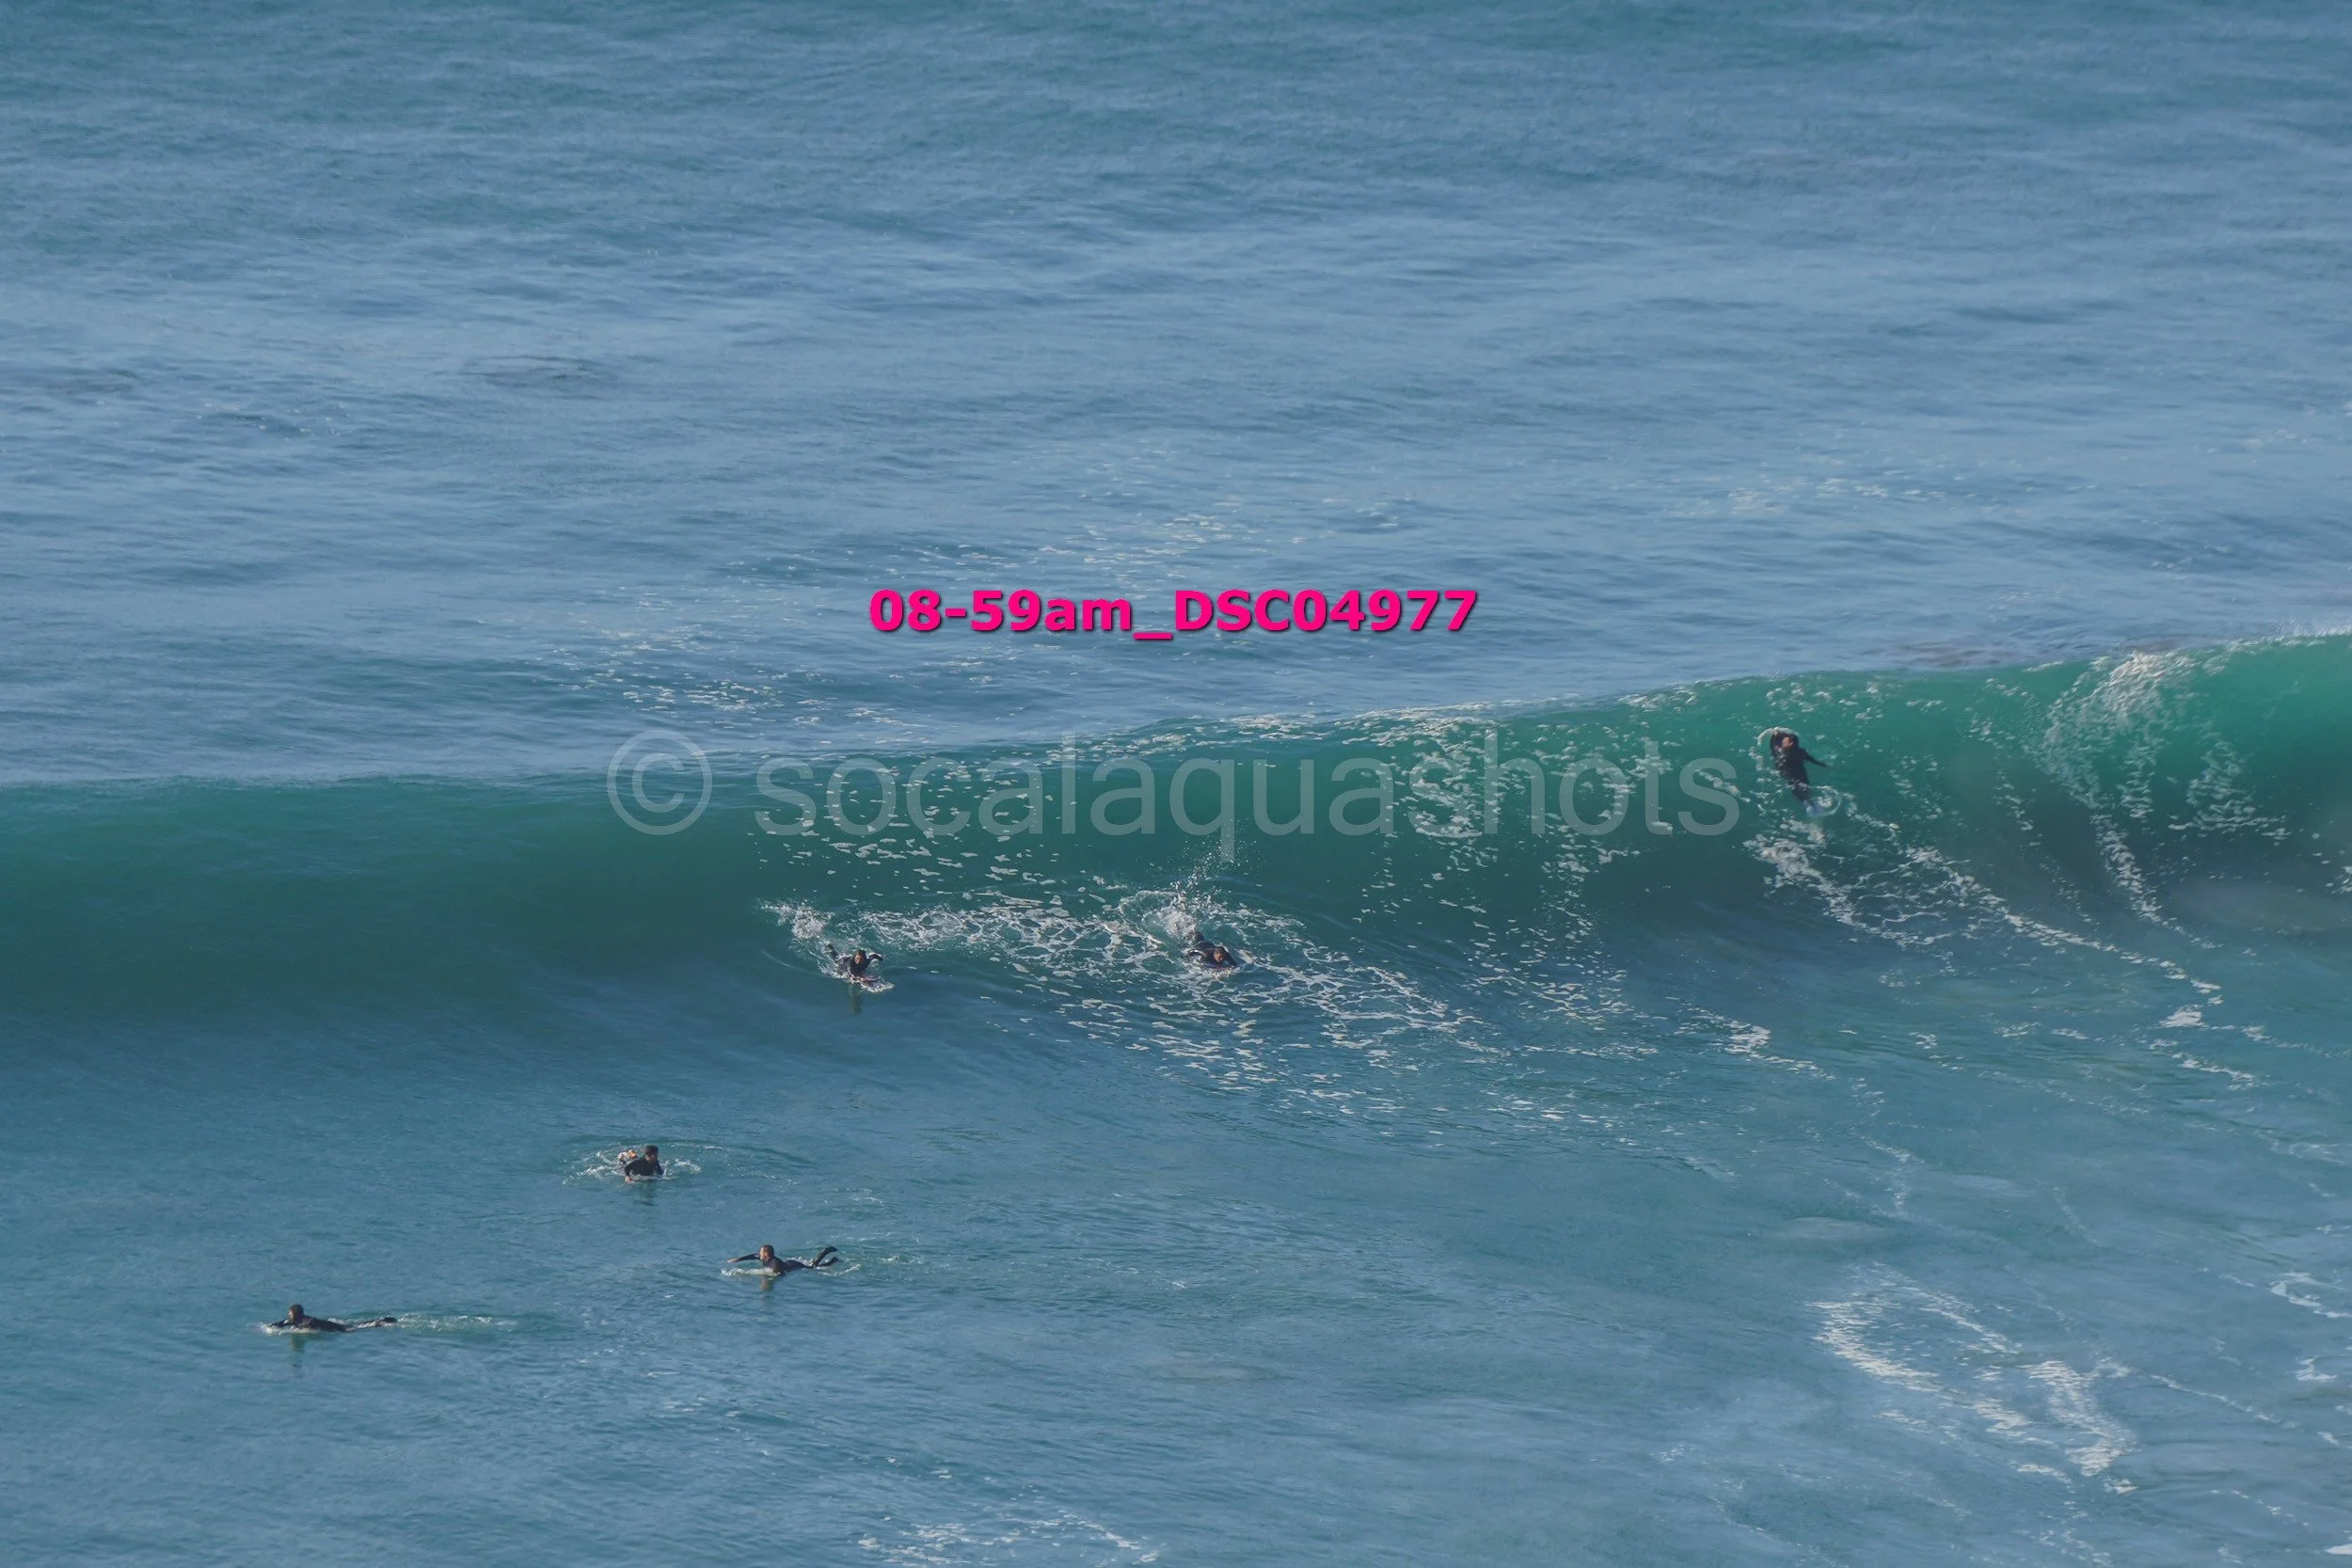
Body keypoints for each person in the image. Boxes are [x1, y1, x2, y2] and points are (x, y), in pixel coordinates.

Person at [1766, 729, 1828, 804]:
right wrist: (1821, 764)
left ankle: (1807, 804)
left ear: (1790, 743)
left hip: (1790, 774)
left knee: (1796, 790)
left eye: (1784, 741)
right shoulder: (1801, 752)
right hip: (1801, 773)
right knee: (1805, 788)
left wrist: (1774, 735)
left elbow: (1773, 746)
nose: (1782, 741)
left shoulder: (1781, 754)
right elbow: (1811, 759)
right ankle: (1812, 803)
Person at [728, 1244, 839, 1277]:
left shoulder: (774, 1263)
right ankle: (831, 1259)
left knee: (813, 1268)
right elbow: (752, 1256)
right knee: (813, 1266)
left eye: (761, 1252)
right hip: (789, 1262)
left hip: (794, 1266)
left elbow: (780, 1274)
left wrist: (772, 1278)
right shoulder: (765, 1257)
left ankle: (827, 1255)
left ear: (766, 1253)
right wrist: (738, 1259)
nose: (759, 1253)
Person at [271, 1303, 395, 1333]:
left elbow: (311, 1323)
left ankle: (379, 1322)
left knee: (356, 1326)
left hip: (335, 1327)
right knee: (356, 1324)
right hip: (330, 1324)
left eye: (290, 1312)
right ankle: (380, 1321)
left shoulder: (306, 1321)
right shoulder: (295, 1320)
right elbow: (284, 1323)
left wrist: (302, 1328)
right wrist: (273, 1326)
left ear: (294, 1313)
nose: (288, 1314)